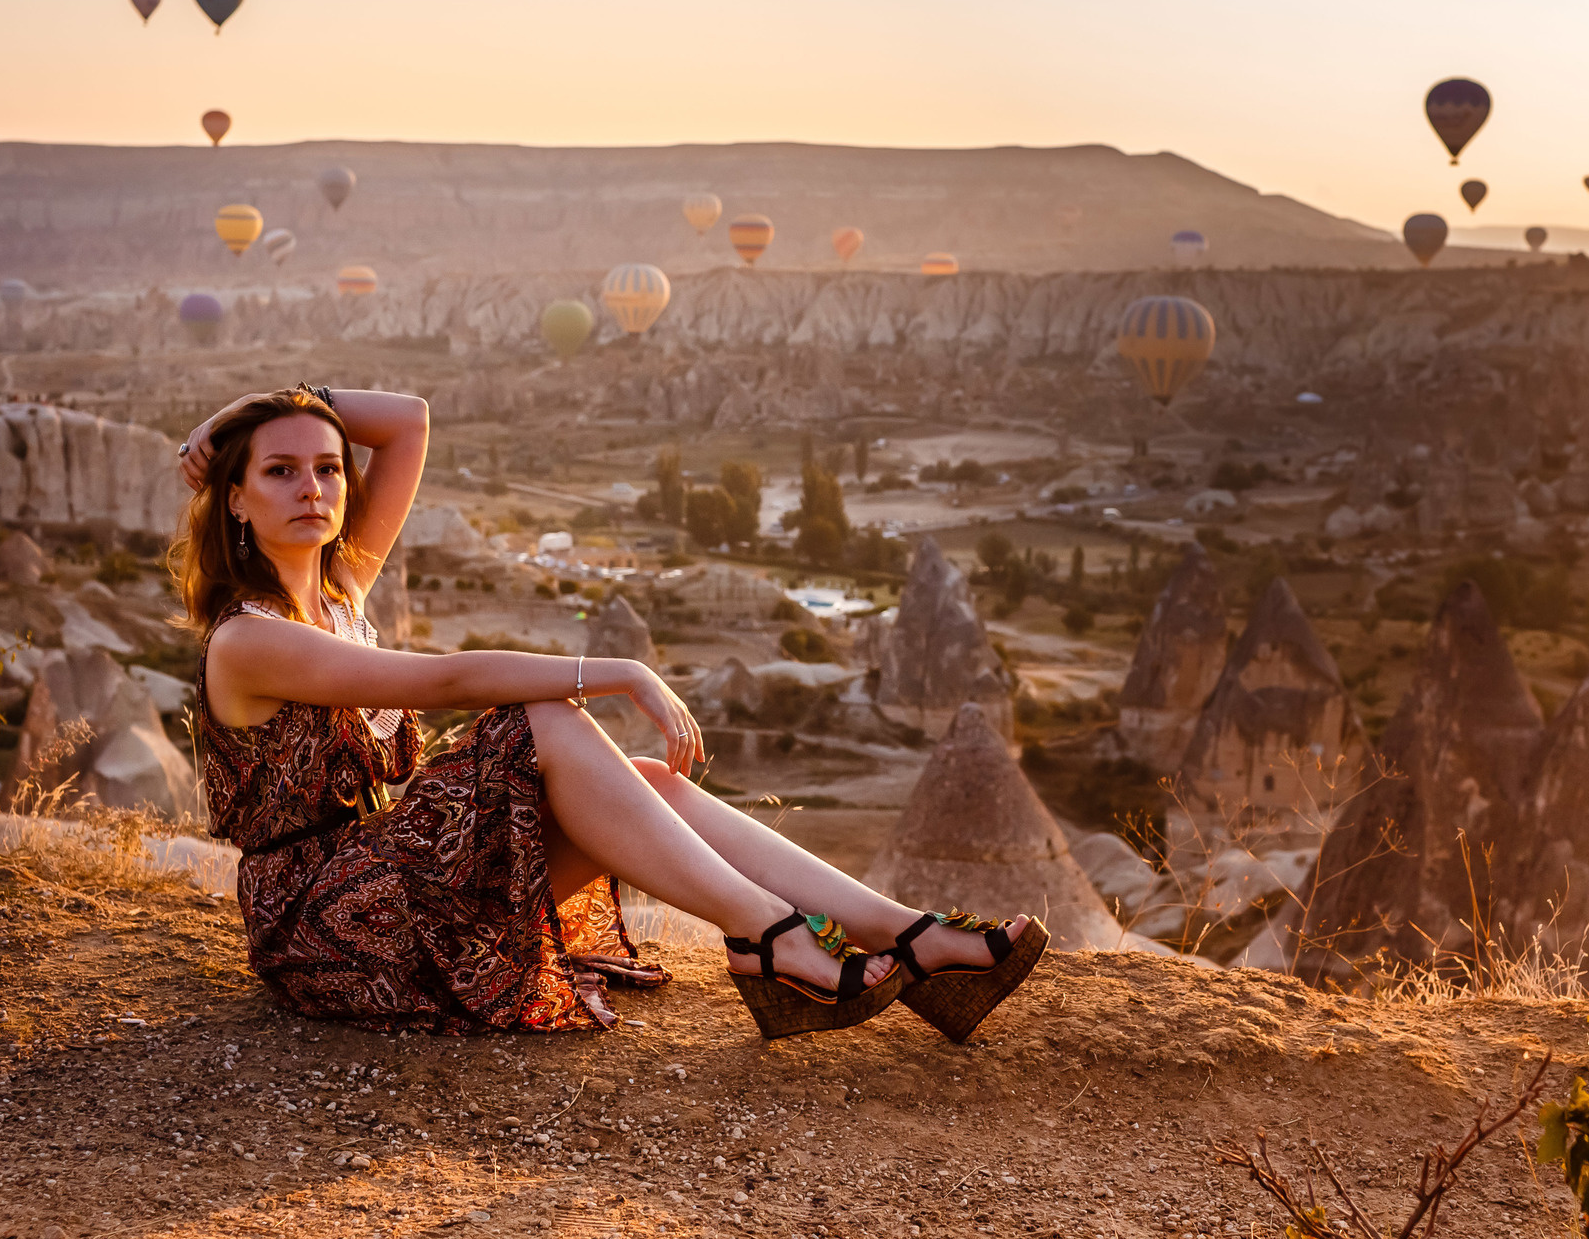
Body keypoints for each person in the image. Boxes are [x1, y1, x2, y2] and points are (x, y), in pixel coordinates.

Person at [173, 386, 1044, 1042]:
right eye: (279, 470)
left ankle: (909, 937)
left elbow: (408, 420)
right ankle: (770, 934)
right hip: (324, 923)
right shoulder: (249, 639)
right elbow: (444, 682)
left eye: (328, 467)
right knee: (543, 720)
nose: (313, 487)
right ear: (236, 499)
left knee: (655, 782)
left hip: (399, 880)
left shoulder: (340, 591)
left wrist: (249, 413)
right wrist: (613, 668)